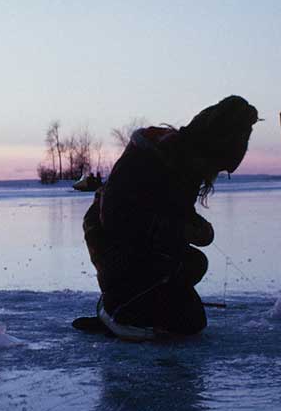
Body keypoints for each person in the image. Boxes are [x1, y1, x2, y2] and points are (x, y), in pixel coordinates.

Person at [82, 96, 259, 340]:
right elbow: (115, 219)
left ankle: (130, 303)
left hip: (144, 250)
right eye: (216, 165)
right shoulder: (150, 160)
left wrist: (198, 228)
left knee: (193, 282)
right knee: (185, 288)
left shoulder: (185, 166)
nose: (214, 173)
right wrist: (179, 231)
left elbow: (175, 210)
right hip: (110, 241)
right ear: (206, 150)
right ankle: (118, 305)